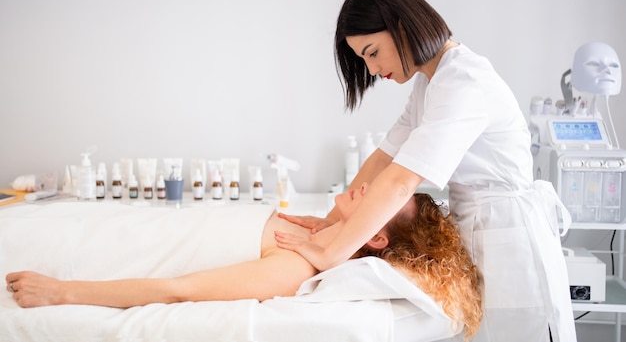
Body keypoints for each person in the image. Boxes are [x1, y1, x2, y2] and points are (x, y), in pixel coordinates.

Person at [275, 0, 576, 342]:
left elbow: (402, 180)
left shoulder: (465, 81)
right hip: (482, 231)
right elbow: (384, 159)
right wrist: (331, 222)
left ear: (402, 27)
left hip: (512, 243)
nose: (371, 70)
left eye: (372, 52)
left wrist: (334, 252)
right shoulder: (429, 83)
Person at [5, 188, 482, 339]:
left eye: (381, 199)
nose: (371, 186)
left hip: (104, 253)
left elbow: (178, 289)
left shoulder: (298, 266)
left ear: (375, 235)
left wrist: (63, 291)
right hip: (111, 226)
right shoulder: (315, 233)